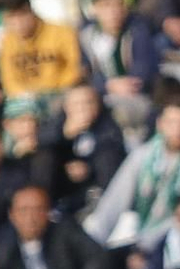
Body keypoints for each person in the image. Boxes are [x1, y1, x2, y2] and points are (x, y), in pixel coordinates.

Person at [88, 102, 180, 254]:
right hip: (141, 234)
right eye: (172, 122)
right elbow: (116, 199)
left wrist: (144, 245)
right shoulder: (142, 155)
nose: (179, 129)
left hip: (179, 237)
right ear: (160, 124)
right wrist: (94, 240)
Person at [0, 185, 108, 269]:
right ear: (12, 215)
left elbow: (97, 258)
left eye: (38, 210)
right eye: (24, 210)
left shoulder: (65, 233)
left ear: (48, 212)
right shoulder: (2, 248)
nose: (31, 218)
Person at [79, 0, 160, 136]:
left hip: (135, 99)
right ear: (95, 9)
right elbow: (84, 74)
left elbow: (140, 77)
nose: (114, 11)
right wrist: (107, 85)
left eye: (119, 5)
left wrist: (118, 86)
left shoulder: (138, 32)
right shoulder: (86, 37)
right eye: (107, 6)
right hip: (100, 96)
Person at [37, 84, 127, 217]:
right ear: (66, 106)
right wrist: (64, 134)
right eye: (76, 104)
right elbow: (41, 141)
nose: (82, 109)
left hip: (95, 182)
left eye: (89, 103)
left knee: (107, 157)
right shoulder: (58, 122)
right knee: (44, 156)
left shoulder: (107, 124)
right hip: (63, 181)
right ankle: (45, 208)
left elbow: (114, 147)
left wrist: (89, 168)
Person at [0, 0, 82, 108]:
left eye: (22, 15)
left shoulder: (62, 33)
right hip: (26, 100)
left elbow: (75, 68)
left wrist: (50, 90)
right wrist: (25, 95)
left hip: (61, 94)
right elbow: (9, 80)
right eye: (12, 17)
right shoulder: (8, 41)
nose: (18, 23)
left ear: (31, 12)